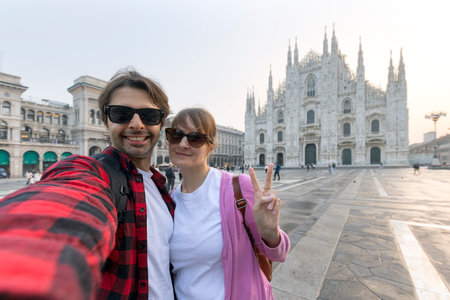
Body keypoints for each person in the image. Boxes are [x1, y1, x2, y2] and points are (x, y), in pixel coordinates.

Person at [0, 68, 175, 299]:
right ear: (105, 120)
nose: (136, 124)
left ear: (161, 123)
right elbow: (66, 199)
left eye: (149, 115)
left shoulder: (162, 188)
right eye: (121, 113)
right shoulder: (90, 172)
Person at [165, 108, 289, 299]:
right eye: (176, 135)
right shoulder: (168, 201)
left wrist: (270, 233)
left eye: (195, 138)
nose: (183, 144)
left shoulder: (238, 188)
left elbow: (279, 254)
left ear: (211, 147)